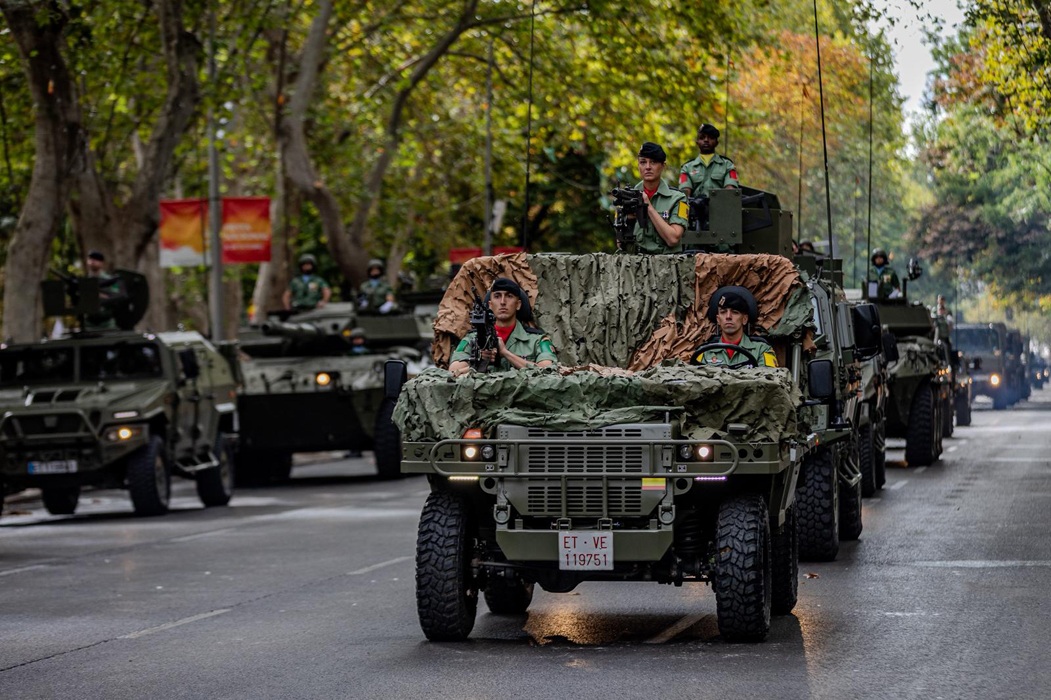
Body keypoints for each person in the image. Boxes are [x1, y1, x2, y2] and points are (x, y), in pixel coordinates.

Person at [449, 278, 557, 375]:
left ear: (518, 304)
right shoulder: (472, 339)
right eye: (497, 296)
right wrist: (479, 361)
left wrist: (506, 353)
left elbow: (548, 371)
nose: (502, 302)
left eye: (509, 296)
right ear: (490, 305)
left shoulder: (537, 340)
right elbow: (453, 372)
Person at [622, 141, 689, 254]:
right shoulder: (628, 197)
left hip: (666, 265)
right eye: (643, 162)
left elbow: (673, 239)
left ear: (663, 166)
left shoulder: (678, 199)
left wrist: (647, 207)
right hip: (634, 265)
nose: (647, 167)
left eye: (653, 162)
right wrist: (629, 220)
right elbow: (620, 243)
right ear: (638, 166)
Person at [691, 286, 777, 368]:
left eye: (735, 312)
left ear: (744, 319)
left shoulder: (761, 350)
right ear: (718, 319)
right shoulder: (704, 352)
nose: (728, 316)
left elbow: (770, 379)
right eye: (723, 312)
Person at [678, 123, 740, 198]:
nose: (706, 140)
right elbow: (685, 194)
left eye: (711, 137)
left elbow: (730, 191)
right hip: (695, 207)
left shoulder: (727, 165)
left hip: (720, 206)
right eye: (702, 138)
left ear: (716, 142)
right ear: (697, 142)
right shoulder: (687, 168)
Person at [83, 250, 126, 331]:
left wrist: (102, 297)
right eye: (90, 259)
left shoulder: (111, 280)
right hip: (89, 323)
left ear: (102, 263)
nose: (92, 262)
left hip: (107, 322)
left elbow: (117, 297)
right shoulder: (86, 282)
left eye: (95, 260)